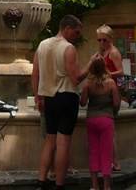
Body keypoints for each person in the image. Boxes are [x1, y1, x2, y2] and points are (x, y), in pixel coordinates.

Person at [32, 14, 93, 190]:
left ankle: (41, 182)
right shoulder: (69, 48)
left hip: (48, 98)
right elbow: (75, 79)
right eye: (76, 32)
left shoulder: (42, 45)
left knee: (49, 141)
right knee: (63, 143)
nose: (77, 35)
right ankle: (59, 185)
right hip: (66, 96)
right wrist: (89, 66)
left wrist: (37, 96)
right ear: (66, 28)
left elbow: (35, 74)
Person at [80, 58, 120, 190]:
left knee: (93, 152)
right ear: (104, 67)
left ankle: (95, 185)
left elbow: (83, 102)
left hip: (92, 119)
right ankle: (107, 186)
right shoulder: (111, 83)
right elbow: (116, 103)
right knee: (106, 152)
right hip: (106, 120)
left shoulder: (87, 84)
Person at [94, 24, 123, 172]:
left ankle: (116, 162)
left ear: (110, 39)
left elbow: (121, 72)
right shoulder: (103, 51)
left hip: (111, 91)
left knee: (110, 130)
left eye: (104, 40)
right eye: (99, 40)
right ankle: (110, 160)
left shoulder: (113, 52)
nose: (101, 43)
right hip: (103, 91)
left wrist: (106, 75)